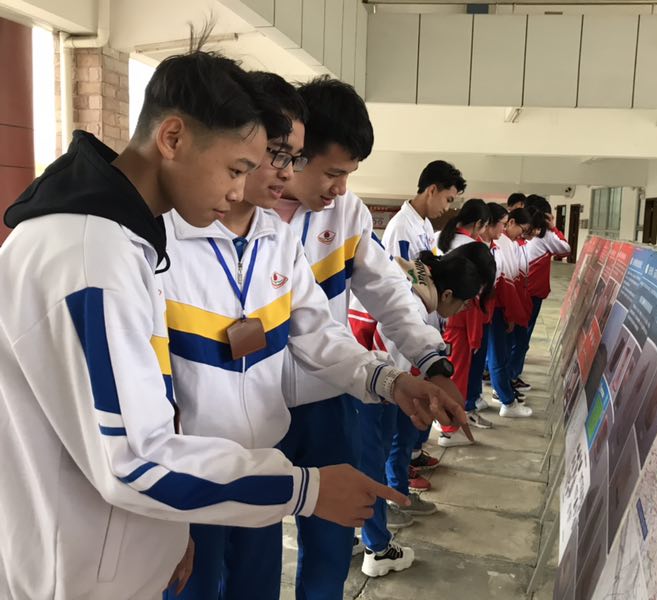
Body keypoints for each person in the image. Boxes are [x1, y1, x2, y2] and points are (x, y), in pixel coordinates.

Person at [0, 47, 414, 600]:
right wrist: (306, 490)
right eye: (237, 168)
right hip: (78, 568)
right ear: (173, 138)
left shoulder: (123, 243)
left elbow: (141, 420)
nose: (241, 190)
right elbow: (134, 460)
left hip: (134, 530)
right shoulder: (92, 259)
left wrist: (166, 532)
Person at [159, 72, 458, 600]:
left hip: (308, 406)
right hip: (200, 449)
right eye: (281, 157)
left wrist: (412, 369)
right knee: (199, 571)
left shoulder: (288, 231)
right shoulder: (162, 237)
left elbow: (333, 322)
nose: (336, 187)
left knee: (313, 540)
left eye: (291, 158)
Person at [273, 76, 467, 599]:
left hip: (327, 395)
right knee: (251, 546)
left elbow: (387, 292)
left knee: (331, 538)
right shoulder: (242, 214)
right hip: (253, 405)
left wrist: (432, 362)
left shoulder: (347, 214)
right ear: (294, 151)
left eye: (348, 175)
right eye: (332, 172)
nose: (339, 188)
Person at [359, 242, 496, 577]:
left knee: (363, 463)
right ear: (447, 294)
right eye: (463, 303)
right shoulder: (413, 305)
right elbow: (393, 366)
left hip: (365, 384)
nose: (463, 310)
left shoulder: (414, 284)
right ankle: (377, 549)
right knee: (370, 467)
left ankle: (354, 535)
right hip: (369, 393)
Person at [348, 159, 467, 499]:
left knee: (396, 427)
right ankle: (394, 486)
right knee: (382, 432)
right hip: (392, 335)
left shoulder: (424, 226)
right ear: (432, 190)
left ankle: (402, 470)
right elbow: (398, 286)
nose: (447, 207)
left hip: (415, 324)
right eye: (447, 199)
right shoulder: (401, 227)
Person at [435, 198, 493, 446]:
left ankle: (445, 422)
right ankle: (449, 428)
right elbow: (475, 293)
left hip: (445, 310)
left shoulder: (440, 237)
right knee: (456, 373)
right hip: (459, 315)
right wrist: (475, 332)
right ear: (479, 223)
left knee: (446, 370)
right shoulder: (473, 248)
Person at [508, 195, 570, 391]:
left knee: (510, 335)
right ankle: (510, 377)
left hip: (515, 290)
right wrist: (553, 227)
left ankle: (499, 373)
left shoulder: (515, 234)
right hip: (531, 293)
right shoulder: (545, 236)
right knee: (521, 338)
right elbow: (565, 249)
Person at [487, 208, 543, 418]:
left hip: (499, 307)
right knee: (498, 355)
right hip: (496, 308)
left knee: (497, 353)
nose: (523, 234)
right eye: (522, 229)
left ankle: (489, 397)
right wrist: (511, 314)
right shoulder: (499, 243)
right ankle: (505, 400)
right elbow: (505, 283)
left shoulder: (505, 243)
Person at [465, 202, 509, 426]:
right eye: (502, 224)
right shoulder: (472, 248)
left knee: (478, 360)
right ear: (488, 224)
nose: (504, 229)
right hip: (472, 314)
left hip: (485, 313)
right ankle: (466, 407)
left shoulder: (495, 248)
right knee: (470, 362)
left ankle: (472, 400)